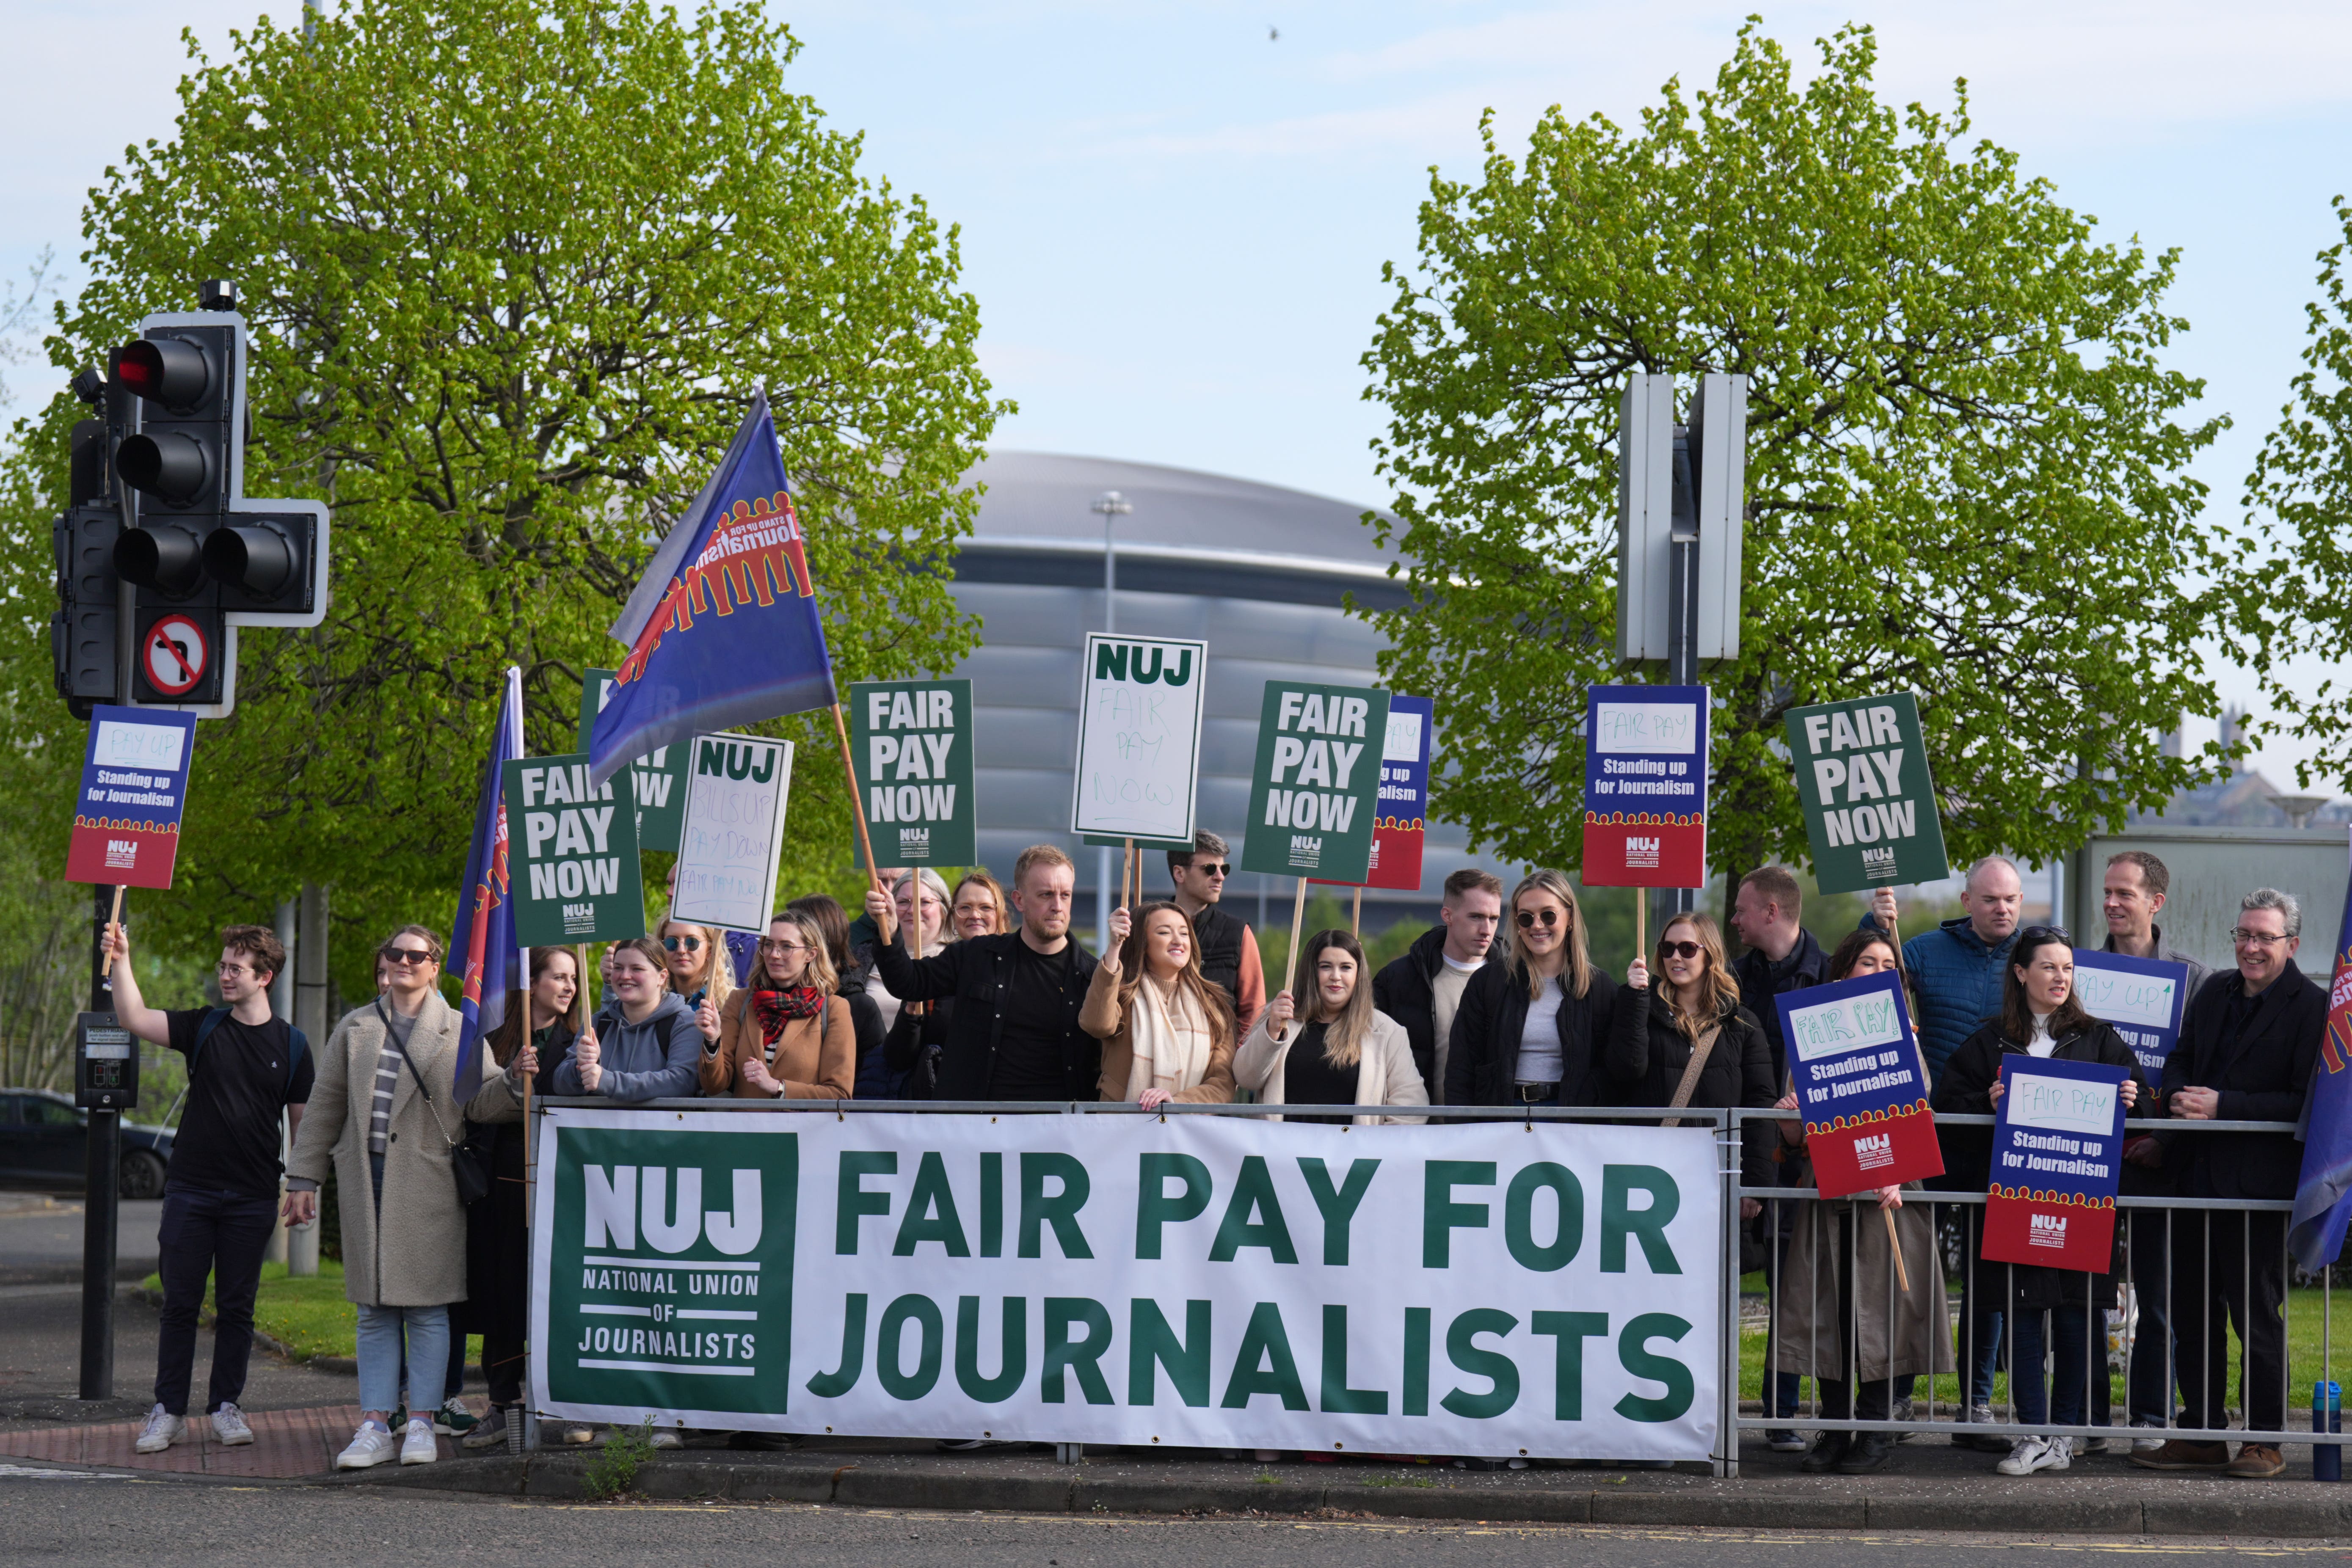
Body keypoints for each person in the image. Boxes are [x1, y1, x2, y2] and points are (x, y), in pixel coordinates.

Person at [1933, 925, 2147, 1477]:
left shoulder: (2100, 1038)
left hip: (2082, 1206)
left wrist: (2133, 1097)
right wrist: (1986, 1101)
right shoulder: (1989, 1040)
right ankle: (2031, 1434)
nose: (2060, 976)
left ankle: (2062, 1437)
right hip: (2015, 1203)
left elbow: (2145, 1105)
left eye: (2068, 968)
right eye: (2048, 966)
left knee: (2077, 1322)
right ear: (2021, 973)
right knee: (2023, 1319)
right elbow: (1946, 1104)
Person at [2134, 889, 2325, 1480]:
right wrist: (2172, 1111)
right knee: (2192, 1313)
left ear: (2291, 944)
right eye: (2243, 935)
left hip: (2256, 1189)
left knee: (2255, 1315)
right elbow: (2180, 1059)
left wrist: (2224, 1104)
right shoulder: (2212, 990)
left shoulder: (2311, 1007)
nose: (2250, 947)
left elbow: (2304, 1100)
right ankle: (2202, 1432)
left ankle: (2263, 1440)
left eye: (2264, 937)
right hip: (2193, 1178)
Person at [107, 923, 312, 1457]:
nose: (224, 975)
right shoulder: (204, 1027)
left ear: (264, 977)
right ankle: (167, 1411)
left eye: (235, 968)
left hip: (252, 1196)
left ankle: (226, 1406)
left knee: (237, 1308)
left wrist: (302, 1184)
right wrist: (122, 959)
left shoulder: (292, 1045)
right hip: (190, 1191)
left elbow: (302, 1124)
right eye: (223, 966)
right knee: (180, 1304)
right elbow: (133, 1017)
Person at [285, 926, 474, 1469]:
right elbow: (324, 1107)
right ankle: (374, 1424)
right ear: (383, 961)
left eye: (418, 955)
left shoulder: (461, 1029)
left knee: (428, 1310)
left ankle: (422, 1423)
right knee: (373, 1310)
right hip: (367, 1180)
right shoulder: (357, 1026)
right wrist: (303, 1178)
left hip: (430, 1185)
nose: (404, 962)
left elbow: (484, 1103)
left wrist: (516, 1083)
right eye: (395, 953)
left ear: (436, 966)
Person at [1768, 929, 1955, 1474]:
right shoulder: (1812, 1033)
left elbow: (1916, 1112)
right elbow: (1795, 1135)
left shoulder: (1907, 1036)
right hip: (1828, 1199)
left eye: (1887, 965)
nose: (1878, 972)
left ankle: (1874, 1428)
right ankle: (1835, 1427)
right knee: (1830, 1315)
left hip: (1886, 1198)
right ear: (1842, 972)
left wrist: (1897, 1169)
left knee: (1882, 1315)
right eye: (1867, 963)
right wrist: (1789, 1125)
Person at [1868, 857, 2024, 1446]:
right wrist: (1876, 919)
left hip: (1996, 1140)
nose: (2002, 909)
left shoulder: (2029, 957)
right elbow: (1870, 976)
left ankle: (1976, 1404)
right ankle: (1901, 1394)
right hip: (1927, 1134)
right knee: (1913, 1269)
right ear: (1966, 900)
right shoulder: (1926, 951)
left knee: (1988, 1277)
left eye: (2010, 899)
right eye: (1989, 899)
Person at [2096, 849, 2209, 1453]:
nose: (2112, 902)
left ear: (2155, 903)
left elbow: (2198, 1069)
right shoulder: (2077, 972)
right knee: (2083, 1294)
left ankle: (2148, 1417)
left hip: (2160, 1162)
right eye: (2107, 892)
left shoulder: (2192, 979)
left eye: (2125, 893)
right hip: (2086, 1156)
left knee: (2159, 1295)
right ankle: (2085, 1417)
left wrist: (2165, 1139)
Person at [1726, 865, 1832, 1450]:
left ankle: (1783, 1410)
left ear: (1771, 911)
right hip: (1743, 1152)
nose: (1735, 919)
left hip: (1803, 1158)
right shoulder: (1733, 979)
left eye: (1742, 909)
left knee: (1793, 1290)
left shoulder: (1827, 979)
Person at [867, 844, 1101, 1101]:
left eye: (1065, 895)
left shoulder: (1093, 976)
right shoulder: (977, 955)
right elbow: (908, 983)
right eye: (1046, 895)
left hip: (1060, 1127)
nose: (1057, 906)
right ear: (1019, 900)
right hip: (976, 1126)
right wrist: (889, 930)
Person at [453, 946, 572, 1447]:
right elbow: (473, 1107)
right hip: (503, 1180)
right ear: (532, 981)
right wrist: (510, 1077)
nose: (567, 987)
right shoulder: (494, 1040)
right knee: (503, 1291)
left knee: (552, 1292)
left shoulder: (584, 1038)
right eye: (557, 977)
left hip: (562, 1177)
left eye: (572, 978)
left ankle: (558, 1402)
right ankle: (503, 1403)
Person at [1609, 911, 1777, 1188]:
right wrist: (1634, 1000)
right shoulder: (1640, 1009)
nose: (1675, 956)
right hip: (1653, 1174)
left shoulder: (1742, 1024)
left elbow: (1760, 1106)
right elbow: (1626, 1070)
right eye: (1667, 948)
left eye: (1687, 948)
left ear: (1709, 954)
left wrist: (1753, 1184)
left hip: (1718, 1176)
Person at [1443, 869, 1621, 1109]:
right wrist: (1464, 1130)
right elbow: (1460, 1070)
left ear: (1570, 918)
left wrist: (1636, 1000)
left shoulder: (1599, 988)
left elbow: (1620, 1070)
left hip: (1571, 1123)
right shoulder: (1488, 982)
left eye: (1548, 916)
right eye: (1526, 917)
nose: (1537, 926)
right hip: (1502, 1120)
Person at [1232, 929, 1429, 1124]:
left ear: (1359, 974)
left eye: (1346, 967)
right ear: (1311, 972)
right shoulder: (1280, 1018)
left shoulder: (1388, 1032)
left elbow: (1411, 1109)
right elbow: (1245, 1078)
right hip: (1283, 1154)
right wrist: (1271, 1031)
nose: (1336, 976)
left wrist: (1374, 1149)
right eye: (1326, 967)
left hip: (1353, 1154)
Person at [1371, 867, 1504, 1103]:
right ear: (1448, 915)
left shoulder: (1515, 978)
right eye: (1476, 917)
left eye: (1494, 919)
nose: (1487, 930)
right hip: (1418, 1127)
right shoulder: (1399, 979)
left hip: (1493, 1128)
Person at [1086, 901, 1239, 1106]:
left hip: (1185, 1131)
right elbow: (1096, 1024)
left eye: (1184, 934)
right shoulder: (1122, 996)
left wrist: (1176, 1104)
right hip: (1121, 1129)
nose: (1178, 941)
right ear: (1143, 942)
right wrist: (1115, 947)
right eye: (1165, 933)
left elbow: (1223, 1084)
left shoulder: (1213, 1006)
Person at [701, 910, 857, 1100]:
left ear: (811, 954)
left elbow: (839, 1094)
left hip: (801, 1129)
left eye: (786, 947)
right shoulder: (740, 1001)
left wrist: (779, 1088)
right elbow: (714, 1085)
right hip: (745, 1127)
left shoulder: (833, 1008)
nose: (774, 955)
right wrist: (713, 1040)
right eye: (768, 945)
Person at [552, 936, 700, 1105]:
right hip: (601, 1130)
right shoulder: (598, 1023)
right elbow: (559, 1083)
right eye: (618, 968)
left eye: (637, 969)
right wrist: (580, 1068)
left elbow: (682, 1082)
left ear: (662, 977)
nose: (625, 976)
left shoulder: (684, 1022)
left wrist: (608, 1081)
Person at [790, 894, 891, 1099]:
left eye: (792, 940)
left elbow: (875, 1083)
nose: (780, 951)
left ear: (817, 946)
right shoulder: (767, 998)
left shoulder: (859, 1007)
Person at [1169, 831, 1266, 1038]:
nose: (1220, 877)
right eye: (1210, 869)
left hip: (1218, 1065)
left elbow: (1254, 1012)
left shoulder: (1239, 933)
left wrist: (1232, 1061)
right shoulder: (1147, 927)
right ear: (1179, 873)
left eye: (1224, 869)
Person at [863, 869, 952, 1039]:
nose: (913, 910)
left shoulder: (957, 958)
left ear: (943, 909)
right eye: (904, 902)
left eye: (925, 902)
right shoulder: (865, 956)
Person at [656, 918, 732, 1053]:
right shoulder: (652, 1001)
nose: (681, 950)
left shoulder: (730, 1002)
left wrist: (713, 1040)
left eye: (692, 942)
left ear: (710, 949)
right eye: (671, 943)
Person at [951, 871, 1010, 940]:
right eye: (965, 907)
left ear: (1002, 917)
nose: (975, 916)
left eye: (986, 907)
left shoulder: (1017, 951)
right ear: (953, 916)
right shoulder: (945, 951)